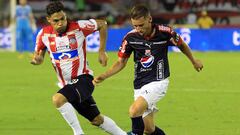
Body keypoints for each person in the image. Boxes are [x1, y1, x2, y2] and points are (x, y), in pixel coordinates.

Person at [93, 4, 203, 135]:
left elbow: (182, 45)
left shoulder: (165, 32)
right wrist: (104, 76)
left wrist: (193, 60)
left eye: (141, 25)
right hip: (139, 84)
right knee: (148, 129)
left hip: (158, 81)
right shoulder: (130, 38)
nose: (138, 29)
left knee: (134, 111)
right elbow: (121, 62)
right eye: (135, 26)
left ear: (149, 19)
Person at [30, 1, 126, 135]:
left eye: (63, 18)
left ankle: (78, 133)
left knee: (58, 99)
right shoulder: (43, 34)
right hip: (69, 85)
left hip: (84, 79)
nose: (61, 23)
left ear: (65, 15)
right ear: (48, 20)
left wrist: (101, 51)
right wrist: (38, 59)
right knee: (96, 120)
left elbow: (102, 24)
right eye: (56, 20)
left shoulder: (78, 27)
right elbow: (38, 55)